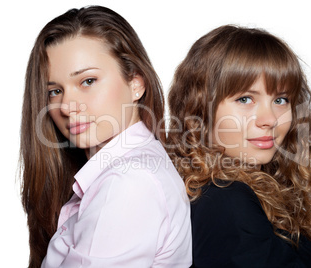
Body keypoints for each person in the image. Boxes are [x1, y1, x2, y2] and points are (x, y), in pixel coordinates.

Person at [20, 6, 191, 268]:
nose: (66, 106)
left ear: (136, 83)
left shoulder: (128, 183)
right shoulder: (115, 175)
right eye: (54, 91)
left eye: (87, 81)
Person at [167, 25, 311, 267]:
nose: (270, 119)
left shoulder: (250, 188)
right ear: (201, 110)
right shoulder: (226, 200)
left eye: (281, 100)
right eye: (245, 99)